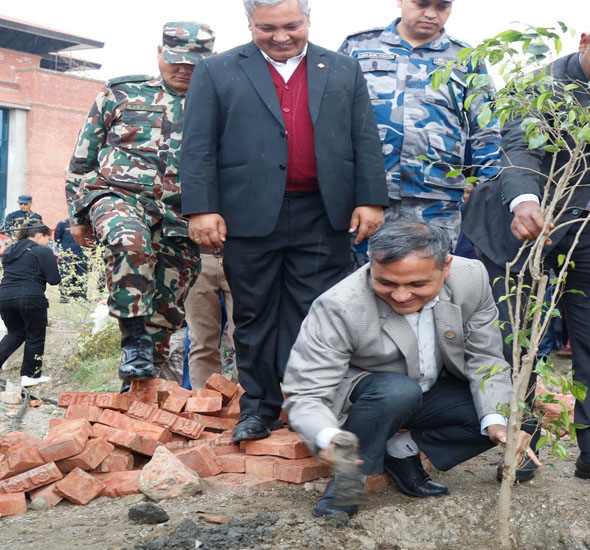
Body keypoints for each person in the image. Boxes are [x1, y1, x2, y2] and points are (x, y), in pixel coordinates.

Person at [462, 4, 590, 486]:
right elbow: (519, 148)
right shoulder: (541, 84)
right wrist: (526, 202)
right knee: (517, 338)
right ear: (585, 41)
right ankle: (520, 447)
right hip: (526, 224)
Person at [181, 0, 388, 442]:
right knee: (253, 315)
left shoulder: (343, 69)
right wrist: (201, 207)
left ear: (309, 20)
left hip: (323, 212)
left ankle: (307, 406)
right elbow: (197, 145)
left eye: (291, 26)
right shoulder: (216, 70)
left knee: (314, 314)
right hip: (247, 213)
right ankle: (258, 408)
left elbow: (364, 137)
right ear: (249, 24)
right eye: (267, 28)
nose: (280, 37)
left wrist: (370, 199)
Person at [283, 221, 538, 517]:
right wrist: (327, 437)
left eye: (417, 285)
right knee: (398, 391)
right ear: (371, 265)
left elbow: (486, 357)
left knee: (514, 415)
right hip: (369, 398)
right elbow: (306, 393)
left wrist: (497, 424)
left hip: (431, 389)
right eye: (386, 283)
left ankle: (400, 450)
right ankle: (349, 480)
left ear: (446, 267)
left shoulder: (471, 277)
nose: (401, 296)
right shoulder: (340, 306)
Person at [65, 22, 215, 383]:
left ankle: (138, 386)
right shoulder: (121, 92)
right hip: (118, 196)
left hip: (180, 215)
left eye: (193, 64)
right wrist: (77, 215)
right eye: (176, 61)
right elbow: (83, 157)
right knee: (128, 240)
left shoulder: (219, 104)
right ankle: (132, 340)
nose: (184, 70)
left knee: (165, 309)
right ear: (160, 53)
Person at [339, 0, 500, 262]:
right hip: (370, 196)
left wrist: (485, 188)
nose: (430, 14)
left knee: (431, 275)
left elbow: (487, 129)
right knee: (365, 274)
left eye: (442, 6)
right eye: (422, 3)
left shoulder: (466, 58)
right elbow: (334, 118)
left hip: (438, 198)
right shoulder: (359, 47)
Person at [0, 224, 60, 387]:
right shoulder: (43, 251)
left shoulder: (10, 250)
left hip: (5, 296)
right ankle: (30, 375)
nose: (48, 242)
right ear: (40, 235)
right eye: (48, 239)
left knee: (15, 333)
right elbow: (54, 279)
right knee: (35, 335)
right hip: (31, 297)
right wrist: (54, 263)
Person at [184, 245, 237, 389]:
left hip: (240, 252)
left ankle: (244, 399)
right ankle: (204, 400)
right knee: (201, 342)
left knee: (246, 340)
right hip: (196, 255)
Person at [53, 218, 89, 302]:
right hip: (67, 255)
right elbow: (57, 238)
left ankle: (80, 296)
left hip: (82, 254)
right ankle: (65, 295)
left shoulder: (86, 223)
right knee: (66, 274)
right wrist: (65, 249)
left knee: (81, 275)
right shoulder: (63, 223)